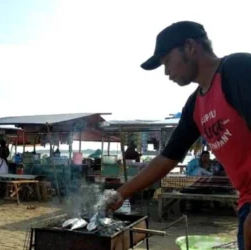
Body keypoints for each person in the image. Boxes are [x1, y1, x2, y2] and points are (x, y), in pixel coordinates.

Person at [106, 21, 251, 250]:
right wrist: (120, 194)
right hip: (245, 203)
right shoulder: (195, 105)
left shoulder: (237, 69)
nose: (166, 72)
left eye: (166, 62)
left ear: (190, 47)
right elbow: (167, 158)